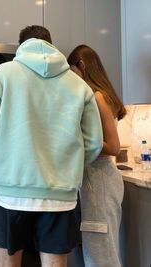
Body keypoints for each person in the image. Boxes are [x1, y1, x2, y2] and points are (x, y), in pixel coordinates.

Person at [0, 25, 103, 267]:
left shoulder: (4, 73)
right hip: (60, 196)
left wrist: (9, 149)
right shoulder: (78, 84)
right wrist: (65, 161)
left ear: (21, 45)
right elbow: (94, 144)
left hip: (11, 195)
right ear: (52, 45)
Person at [67, 44, 127, 267]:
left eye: (73, 72)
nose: (72, 78)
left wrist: (77, 142)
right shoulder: (97, 96)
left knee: (101, 256)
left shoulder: (99, 97)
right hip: (95, 180)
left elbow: (113, 146)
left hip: (101, 181)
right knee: (96, 252)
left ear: (82, 65)